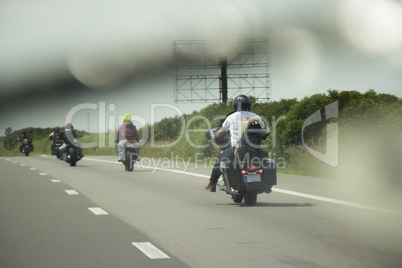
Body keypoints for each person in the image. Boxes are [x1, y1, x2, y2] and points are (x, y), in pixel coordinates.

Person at [205, 95, 269, 192]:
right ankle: (267, 183)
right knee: (266, 158)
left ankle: (212, 184)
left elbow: (221, 132)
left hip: (236, 150)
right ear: (248, 105)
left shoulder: (231, 117)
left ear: (235, 106)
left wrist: (215, 136)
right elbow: (264, 132)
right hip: (255, 151)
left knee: (220, 159)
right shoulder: (256, 117)